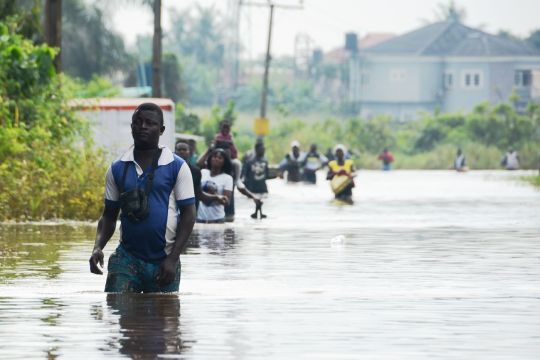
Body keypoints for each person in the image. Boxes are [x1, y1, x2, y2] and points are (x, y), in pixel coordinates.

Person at [89, 103, 196, 293]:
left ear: (161, 130)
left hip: (165, 261)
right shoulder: (117, 168)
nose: (143, 127)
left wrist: (173, 258)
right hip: (127, 259)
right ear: (131, 127)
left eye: (150, 123)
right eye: (138, 122)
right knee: (117, 310)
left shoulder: (177, 166)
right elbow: (109, 216)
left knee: (164, 318)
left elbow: (189, 214)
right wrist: (97, 247)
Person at [197, 148, 234, 223]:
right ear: (210, 159)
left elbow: (226, 202)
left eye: (220, 158)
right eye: (214, 157)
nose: (216, 159)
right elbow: (199, 163)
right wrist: (208, 149)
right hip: (200, 218)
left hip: (218, 219)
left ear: (224, 162)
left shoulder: (227, 178)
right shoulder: (203, 172)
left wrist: (214, 195)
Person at [175, 140, 202, 210]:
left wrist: (215, 197)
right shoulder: (169, 169)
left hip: (189, 209)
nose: (182, 151)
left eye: (184, 149)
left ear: (189, 152)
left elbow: (199, 193)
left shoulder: (196, 171)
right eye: (179, 149)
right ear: (175, 151)